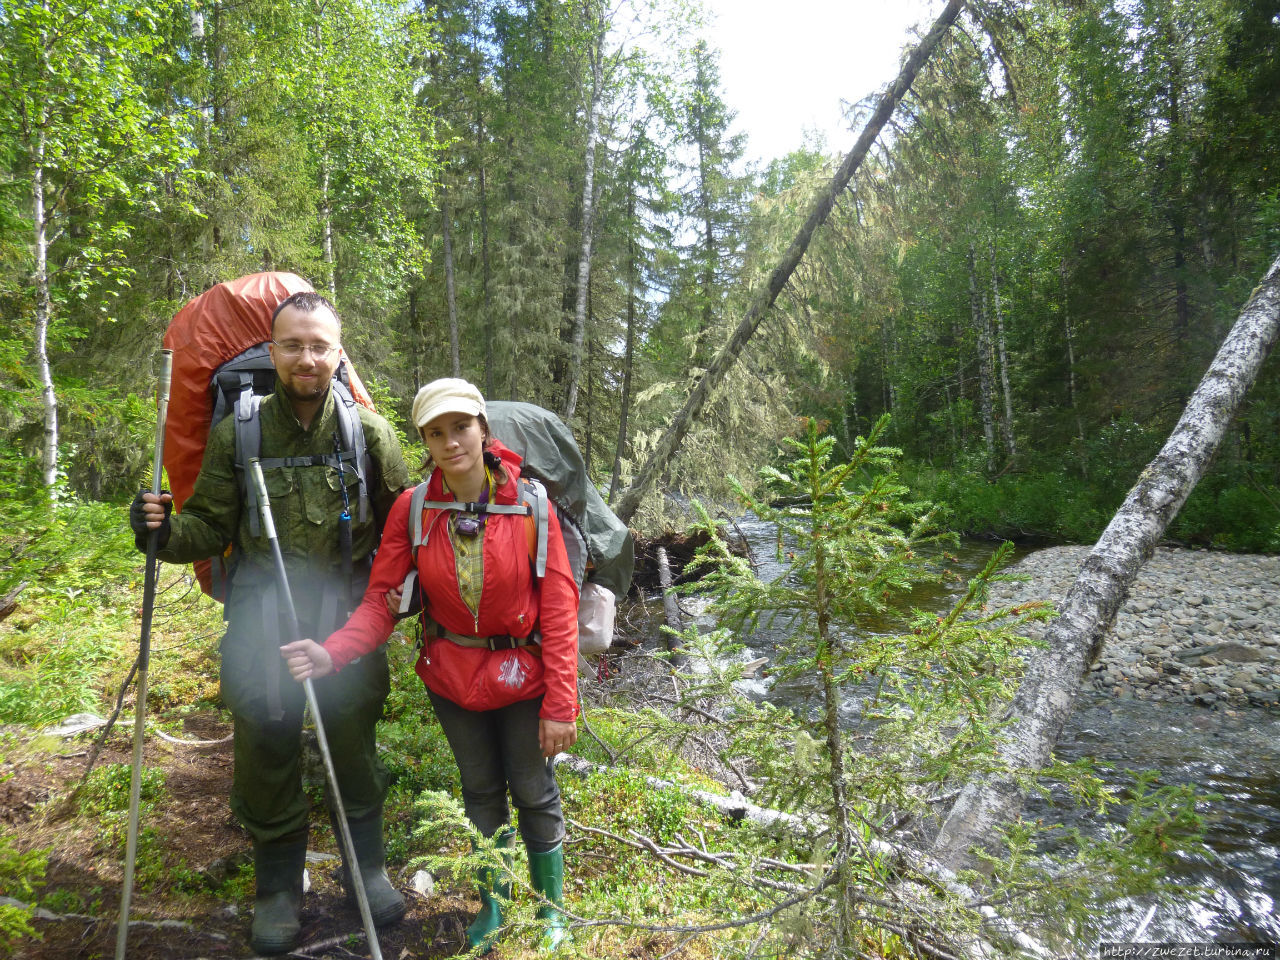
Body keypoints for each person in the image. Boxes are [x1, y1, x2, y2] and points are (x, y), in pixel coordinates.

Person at [128, 292, 410, 955]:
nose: (306, 358)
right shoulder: (240, 432)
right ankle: (278, 888)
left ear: (338, 354)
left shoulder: (368, 434)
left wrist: (411, 597)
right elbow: (208, 528)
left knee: (352, 738)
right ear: (272, 352)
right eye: (292, 345)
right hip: (263, 621)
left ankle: (365, 869)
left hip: (344, 619)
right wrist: (159, 531)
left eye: (319, 346)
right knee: (265, 742)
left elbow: (403, 530)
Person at [281, 377, 580, 953]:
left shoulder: (530, 505)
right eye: (436, 433)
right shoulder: (413, 509)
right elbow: (380, 601)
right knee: (480, 792)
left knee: (534, 792)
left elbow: (560, 606)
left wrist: (562, 703)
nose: (451, 442)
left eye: (461, 427)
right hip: (452, 678)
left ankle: (551, 914)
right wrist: (331, 652)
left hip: (523, 677)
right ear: (424, 440)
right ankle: (494, 908)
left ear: (483, 428)